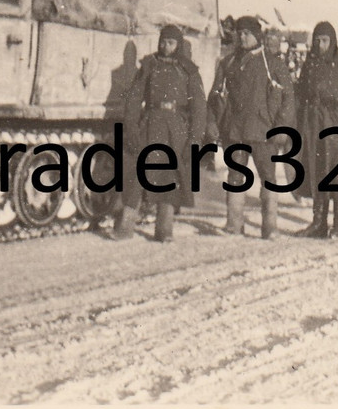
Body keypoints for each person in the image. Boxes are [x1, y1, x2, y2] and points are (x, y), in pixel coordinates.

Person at [117, 24, 207, 242]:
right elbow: (134, 98)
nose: (166, 46)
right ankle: (124, 228)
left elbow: (199, 107)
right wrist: (131, 127)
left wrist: (194, 140)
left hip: (176, 130)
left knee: (169, 179)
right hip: (151, 124)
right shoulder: (149, 65)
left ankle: (164, 230)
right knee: (138, 177)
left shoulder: (189, 70)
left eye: (171, 42)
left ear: (178, 44)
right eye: (163, 42)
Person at [208, 16, 295, 239]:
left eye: (246, 33)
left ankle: (270, 227)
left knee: (268, 178)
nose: (242, 37)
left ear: (257, 36)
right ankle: (234, 224)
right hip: (235, 132)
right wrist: (213, 122)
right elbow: (215, 95)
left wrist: (282, 128)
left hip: (264, 132)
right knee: (235, 177)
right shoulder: (228, 63)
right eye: (239, 32)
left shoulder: (273, 64)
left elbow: (288, 98)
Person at [296, 22, 338, 238]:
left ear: (332, 41)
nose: (320, 44)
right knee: (317, 171)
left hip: (337, 125)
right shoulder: (309, 65)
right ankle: (318, 223)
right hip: (314, 124)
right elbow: (300, 94)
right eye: (317, 40)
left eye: (324, 40)